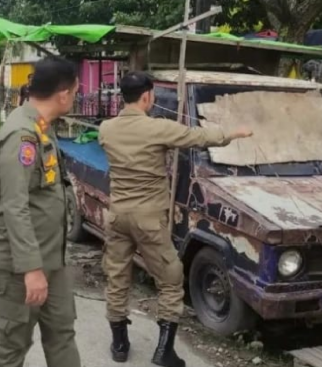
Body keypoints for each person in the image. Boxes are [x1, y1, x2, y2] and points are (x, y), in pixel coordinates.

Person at [98, 71, 253, 367]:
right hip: (149, 220)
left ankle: (119, 346)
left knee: (117, 279)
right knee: (170, 281)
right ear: (147, 96)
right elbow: (197, 137)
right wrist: (233, 133)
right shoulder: (157, 128)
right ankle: (164, 352)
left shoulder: (107, 128)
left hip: (117, 216)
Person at [0, 56, 81, 367]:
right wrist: (31, 269)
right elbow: (15, 205)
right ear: (64, 94)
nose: (76, 97)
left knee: (62, 334)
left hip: (52, 258)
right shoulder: (21, 134)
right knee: (14, 345)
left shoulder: (42, 127)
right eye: (76, 91)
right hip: (19, 266)